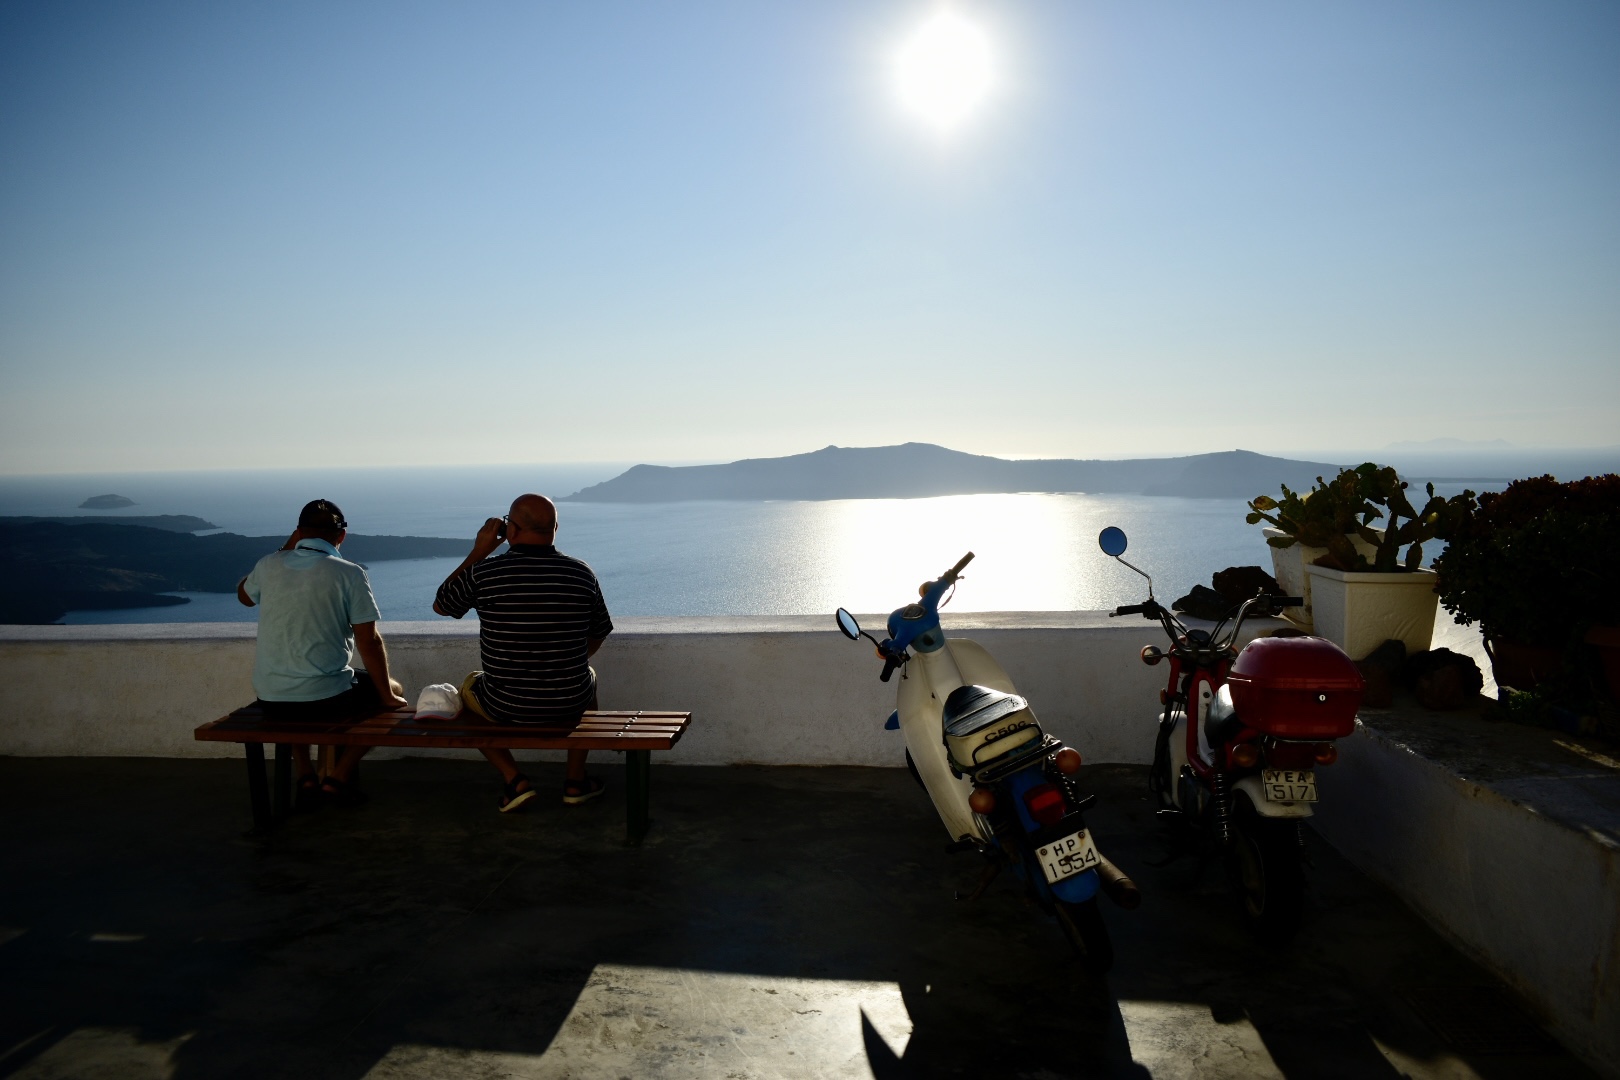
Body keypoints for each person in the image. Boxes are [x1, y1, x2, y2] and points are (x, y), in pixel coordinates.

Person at [433, 493, 613, 812]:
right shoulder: (581, 573)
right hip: (569, 700)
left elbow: (442, 605)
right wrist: (567, 664)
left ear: (511, 531)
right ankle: (575, 781)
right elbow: (599, 631)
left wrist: (479, 551)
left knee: (467, 689)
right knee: (588, 679)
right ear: (555, 528)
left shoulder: (485, 573)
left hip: (506, 704)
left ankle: (514, 779)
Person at [237, 499, 408, 807]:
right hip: (329, 699)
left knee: (293, 703)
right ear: (341, 537)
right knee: (390, 695)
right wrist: (387, 695)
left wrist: (284, 548)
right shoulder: (349, 573)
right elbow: (368, 642)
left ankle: (305, 773)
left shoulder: (268, 565)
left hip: (271, 696)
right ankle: (337, 779)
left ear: (299, 532)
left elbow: (244, 597)